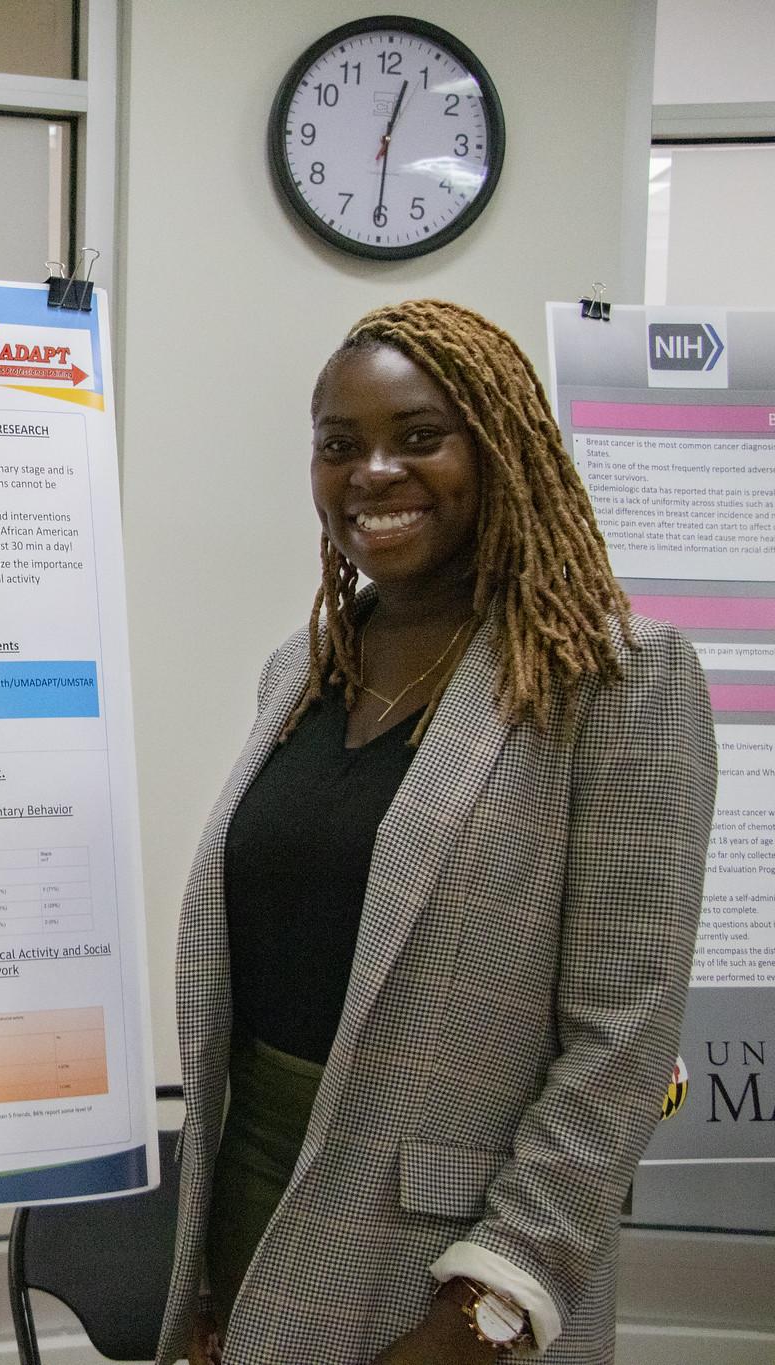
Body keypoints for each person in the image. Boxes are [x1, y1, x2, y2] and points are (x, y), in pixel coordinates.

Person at [155, 300, 717, 1365]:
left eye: (418, 437)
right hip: (251, 1203)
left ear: (500, 451)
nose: (371, 471)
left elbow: (623, 1037)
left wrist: (492, 1304)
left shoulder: (614, 678)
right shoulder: (299, 672)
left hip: (447, 1260)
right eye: (337, 446)